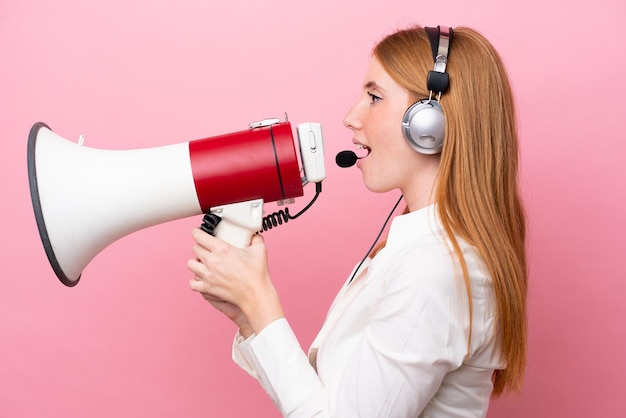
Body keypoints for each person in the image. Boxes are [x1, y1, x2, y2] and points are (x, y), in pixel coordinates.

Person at [187, 24, 527, 417]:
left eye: (374, 97)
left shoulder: (434, 269)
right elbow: (327, 403)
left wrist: (260, 303)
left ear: (429, 123)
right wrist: (247, 314)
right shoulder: (412, 251)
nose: (350, 117)